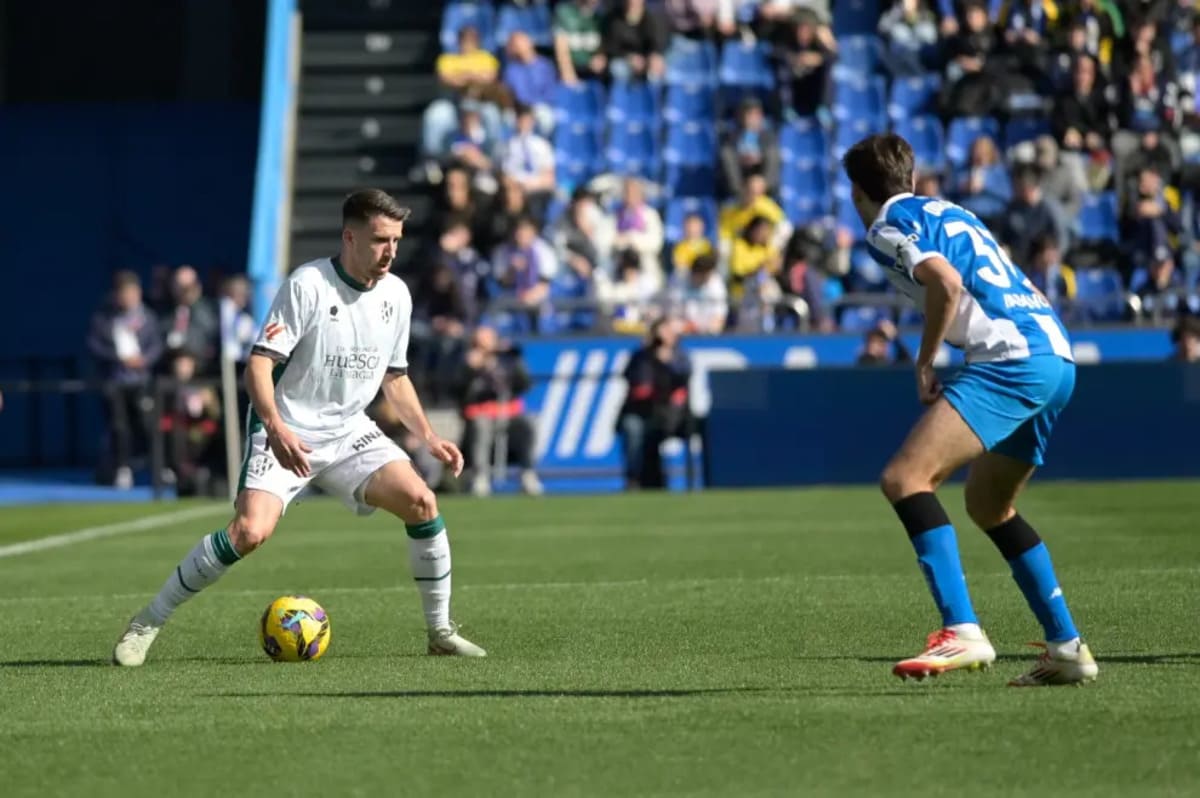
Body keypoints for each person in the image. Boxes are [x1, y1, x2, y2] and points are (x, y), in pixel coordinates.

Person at [112, 189, 486, 666]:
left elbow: (396, 377)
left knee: (422, 501)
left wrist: (429, 436)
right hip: (286, 424)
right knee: (249, 532)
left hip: (350, 430)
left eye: (395, 239)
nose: (390, 251)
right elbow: (259, 366)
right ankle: (147, 621)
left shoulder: (397, 294)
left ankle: (439, 632)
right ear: (350, 237)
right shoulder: (308, 284)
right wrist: (276, 427)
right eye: (379, 240)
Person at [843, 133, 1098, 686]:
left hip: (1012, 359)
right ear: (909, 177)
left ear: (859, 191)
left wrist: (924, 361)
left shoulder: (884, 226)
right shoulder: (949, 209)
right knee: (988, 504)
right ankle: (1067, 647)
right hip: (1055, 353)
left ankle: (961, 629)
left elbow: (947, 284)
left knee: (906, 478)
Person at [616, 319, 692, 490]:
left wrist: (667, 362)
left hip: (669, 414)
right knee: (632, 428)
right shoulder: (642, 357)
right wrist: (650, 355)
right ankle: (634, 478)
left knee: (656, 431)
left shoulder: (679, 357)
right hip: (642, 412)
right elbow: (636, 382)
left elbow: (682, 380)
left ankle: (654, 480)